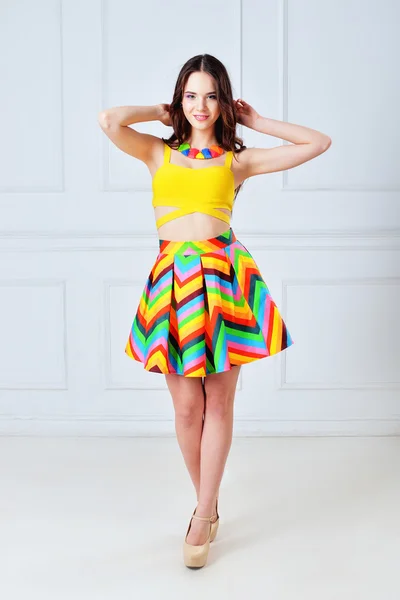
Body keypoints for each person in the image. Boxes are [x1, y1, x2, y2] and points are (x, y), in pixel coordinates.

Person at [98, 53, 331, 569]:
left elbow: (317, 143)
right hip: (172, 283)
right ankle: (209, 499)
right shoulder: (158, 153)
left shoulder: (237, 160)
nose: (200, 106)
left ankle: (203, 512)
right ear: (180, 99)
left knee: (219, 404)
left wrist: (254, 121)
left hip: (224, 281)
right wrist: (161, 113)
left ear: (223, 101)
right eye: (191, 95)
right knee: (186, 408)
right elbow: (109, 120)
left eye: (210, 95)